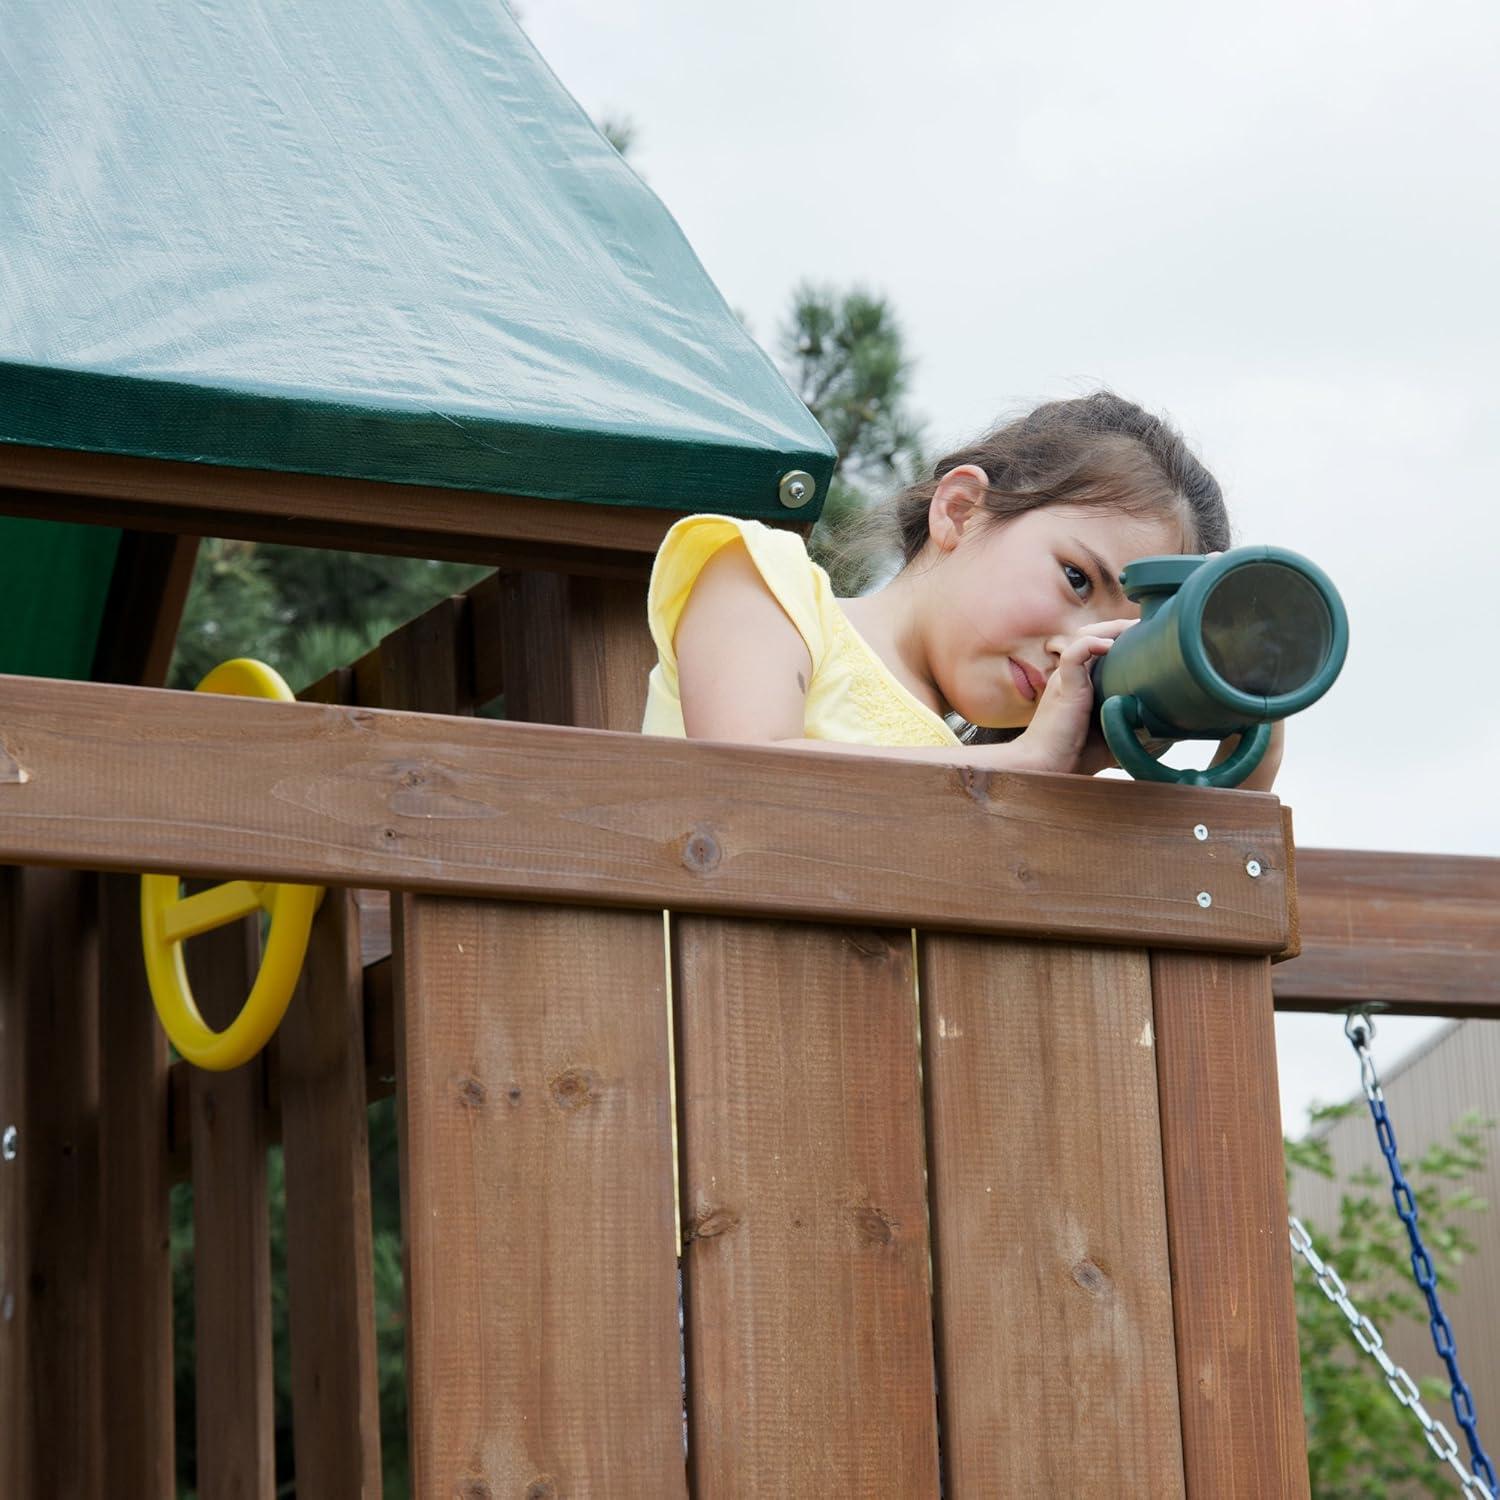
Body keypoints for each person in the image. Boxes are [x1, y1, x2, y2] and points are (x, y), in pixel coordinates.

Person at [642, 391, 1284, 790]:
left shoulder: (1000, 773)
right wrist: (1027, 764)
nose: (1072, 651)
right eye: (1076, 579)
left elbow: (1210, 854)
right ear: (961, 509)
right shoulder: (763, 582)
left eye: (1111, 644)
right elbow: (745, 781)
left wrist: (1248, 684)